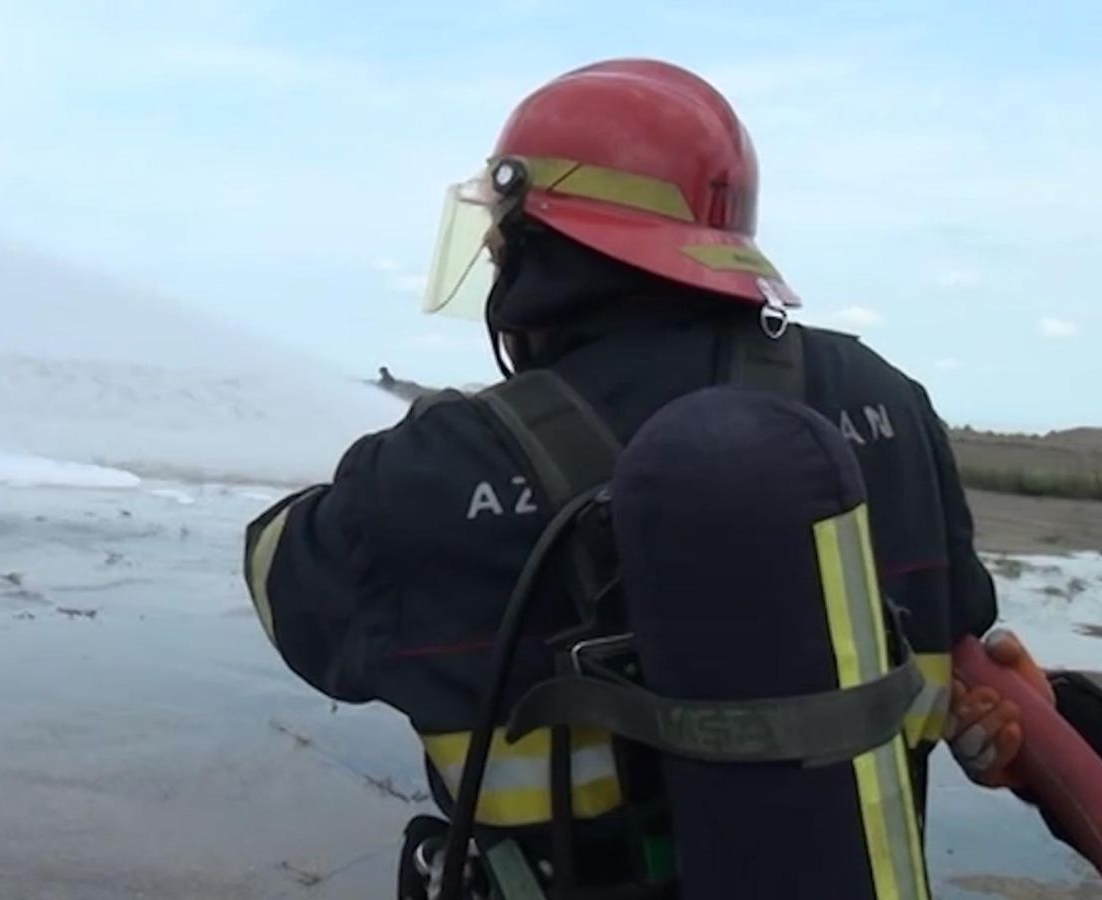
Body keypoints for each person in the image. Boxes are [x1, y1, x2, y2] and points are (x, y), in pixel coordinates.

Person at [243, 59, 1089, 898]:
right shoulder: (889, 404)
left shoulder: (443, 463)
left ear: (538, 249)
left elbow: (292, 591)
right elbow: (966, 638)